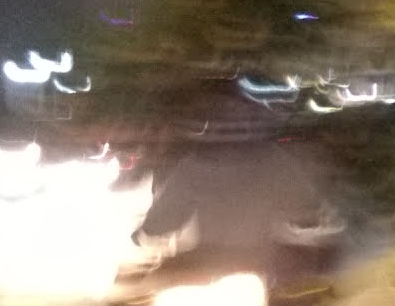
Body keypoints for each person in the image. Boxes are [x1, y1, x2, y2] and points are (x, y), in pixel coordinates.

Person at [139, 84, 337, 277]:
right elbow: (164, 216)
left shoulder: (198, 163)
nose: (233, 121)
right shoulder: (272, 159)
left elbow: (305, 208)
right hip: (238, 264)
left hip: (242, 265)